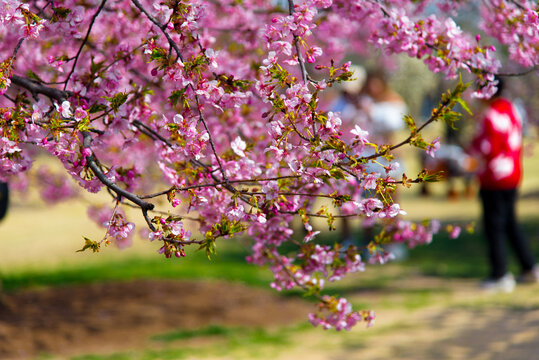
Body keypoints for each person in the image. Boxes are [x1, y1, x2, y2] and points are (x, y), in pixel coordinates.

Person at [470, 77, 538, 292]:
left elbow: (485, 146)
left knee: (494, 226)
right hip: (512, 174)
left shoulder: (490, 115)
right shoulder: (511, 108)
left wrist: (468, 154)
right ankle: (528, 266)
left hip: (494, 177)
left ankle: (500, 274)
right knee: (509, 222)